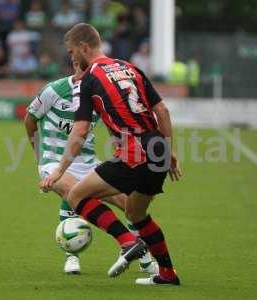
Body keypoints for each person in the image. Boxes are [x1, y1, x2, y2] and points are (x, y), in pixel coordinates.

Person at [40, 23, 181, 286]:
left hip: (134, 150)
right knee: (135, 214)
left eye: (72, 53)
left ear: (84, 47)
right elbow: (162, 111)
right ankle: (167, 274)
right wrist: (168, 148)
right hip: (157, 147)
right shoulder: (130, 68)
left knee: (76, 195)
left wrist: (60, 169)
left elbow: (80, 129)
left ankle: (128, 242)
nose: (72, 59)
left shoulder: (90, 78)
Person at [25, 61, 159, 275]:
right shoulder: (54, 90)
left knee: (131, 204)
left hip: (87, 162)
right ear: (75, 65)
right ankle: (73, 256)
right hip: (54, 161)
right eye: (84, 70)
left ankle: (143, 256)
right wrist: (40, 158)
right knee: (73, 192)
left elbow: (108, 120)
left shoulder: (97, 91)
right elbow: (30, 120)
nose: (88, 75)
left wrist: (116, 140)